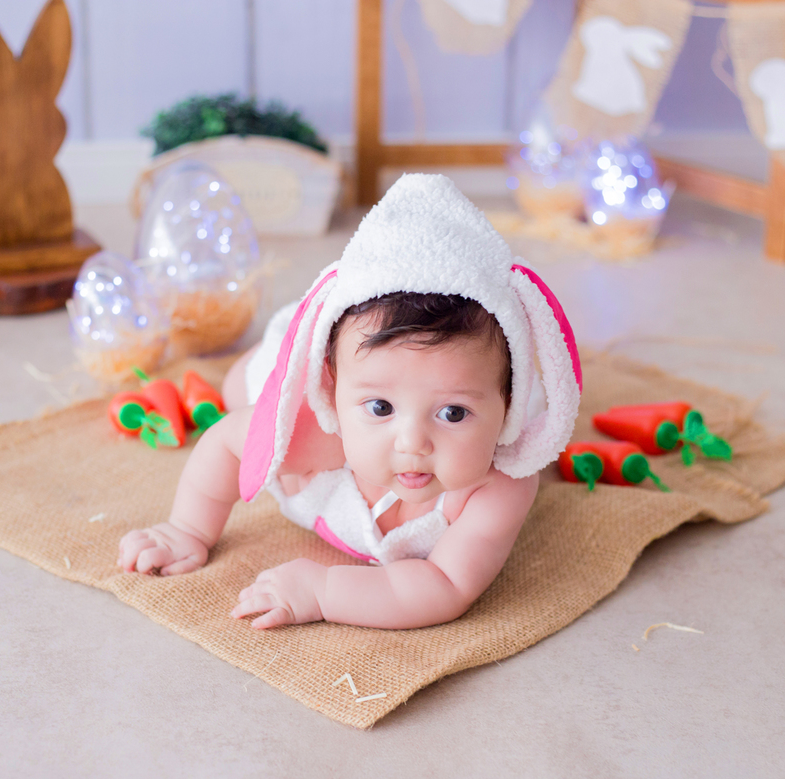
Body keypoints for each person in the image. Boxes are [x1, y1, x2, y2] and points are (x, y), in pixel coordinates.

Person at [118, 174, 583, 630]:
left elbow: (442, 585)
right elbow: (225, 443)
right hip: (311, 393)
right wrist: (187, 530)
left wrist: (323, 591)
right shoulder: (318, 432)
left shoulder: (500, 485)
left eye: (453, 413)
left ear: (506, 407)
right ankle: (276, 357)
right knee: (242, 387)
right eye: (381, 408)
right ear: (333, 391)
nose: (412, 442)